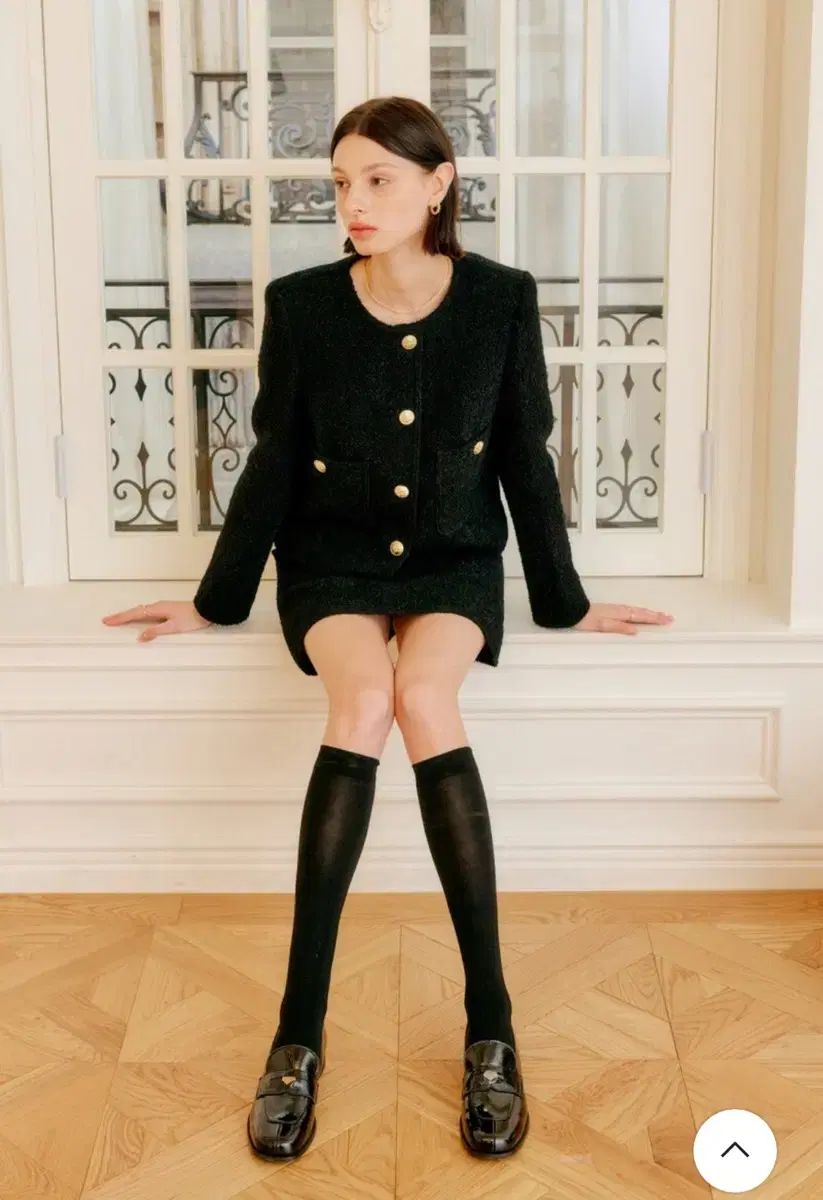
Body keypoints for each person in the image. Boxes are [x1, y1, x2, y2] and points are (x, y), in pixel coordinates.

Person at [102, 95, 674, 1161]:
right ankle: (296, 1036)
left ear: (437, 184)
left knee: (422, 694)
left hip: (456, 558)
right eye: (341, 183)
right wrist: (217, 598)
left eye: (377, 180)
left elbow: (525, 459)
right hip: (331, 561)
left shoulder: (501, 300)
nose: (353, 203)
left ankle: (491, 1027)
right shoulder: (304, 306)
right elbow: (274, 461)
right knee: (363, 699)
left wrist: (564, 599)